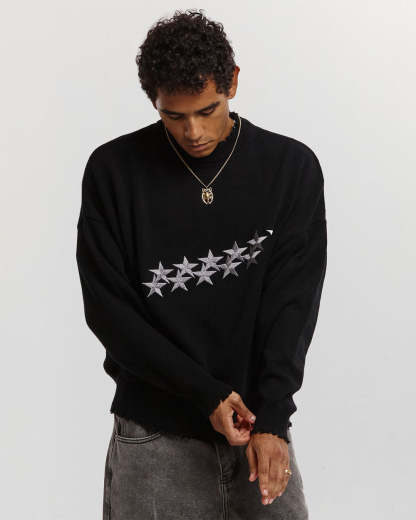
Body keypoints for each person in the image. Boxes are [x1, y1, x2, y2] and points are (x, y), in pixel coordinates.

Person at [76, 8, 327, 520]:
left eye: (208, 110)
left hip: (257, 432)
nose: (193, 131)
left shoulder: (289, 169)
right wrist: (205, 394)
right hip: (155, 438)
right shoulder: (114, 172)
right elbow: (108, 312)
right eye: (173, 116)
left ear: (233, 81)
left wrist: (274, 418)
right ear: (153, 100)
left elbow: (293, 303)